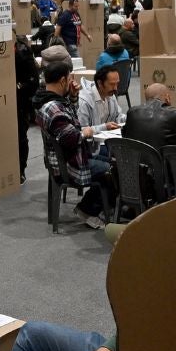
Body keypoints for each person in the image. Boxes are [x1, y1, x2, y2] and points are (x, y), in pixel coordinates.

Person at [35, 60, 113, 229]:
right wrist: (86, 132)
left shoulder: (49, 101)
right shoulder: (54, 108)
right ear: (63, 80)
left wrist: (73, 97)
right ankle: (88, 210)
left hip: (65, 158)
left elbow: (71, 120)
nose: (72, 81)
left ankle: (106, 206)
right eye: (70, 78)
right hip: (70, 165)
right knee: (113, 169)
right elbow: (71, 137)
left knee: (110, 156)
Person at [121, 83, 176, 151]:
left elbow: (125, 137)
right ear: (167, 98)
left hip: (134, 160)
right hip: (164, 161)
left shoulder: (132, 112)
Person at [78, 65, 123, 130]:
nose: (115, 88)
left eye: (117, 84)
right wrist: (104, 127)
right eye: (112, 84)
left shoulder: (110, 95)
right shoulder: (84, 101)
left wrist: (130, 118)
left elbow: (118, 116)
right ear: (100, 83)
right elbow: (82, 130)